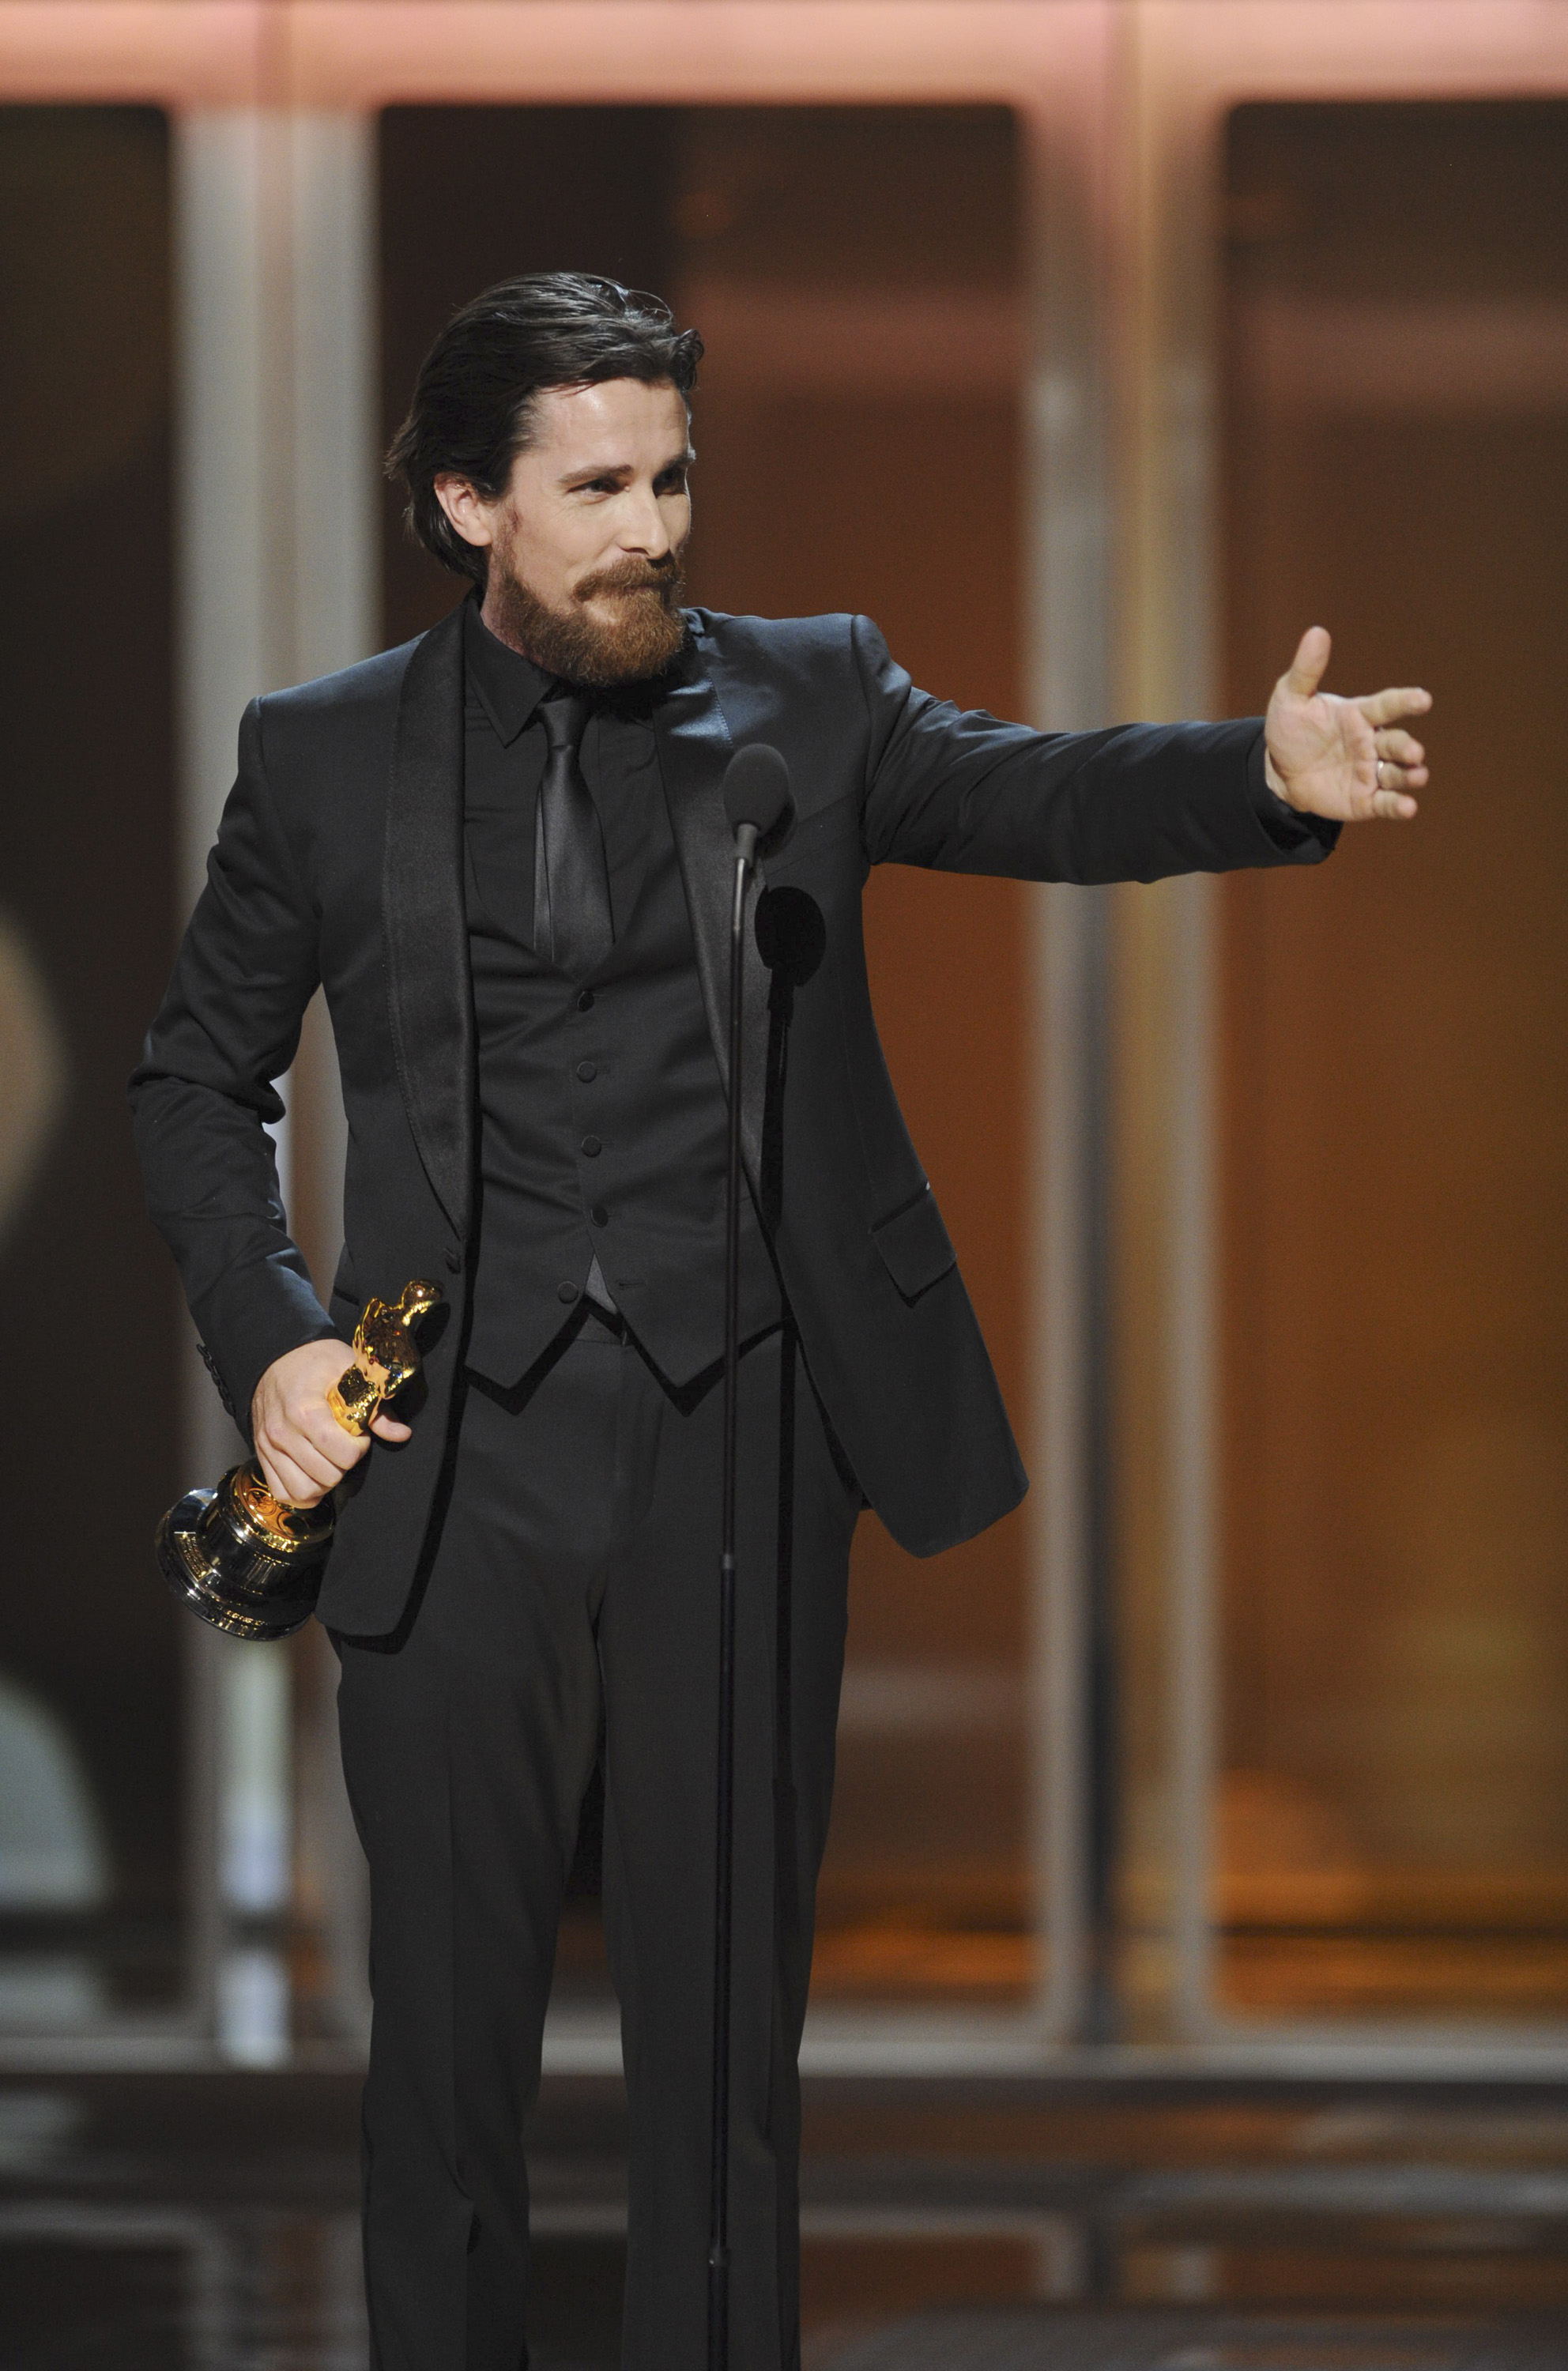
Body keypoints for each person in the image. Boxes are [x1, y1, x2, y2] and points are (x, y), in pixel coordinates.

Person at [130, 273, 1428, 2371]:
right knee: (442, 2060)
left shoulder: (807, 703)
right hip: (449, 1454)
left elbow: (1038, 796)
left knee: (726, 2062)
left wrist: (1257, 779)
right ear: (472, 502)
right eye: (597, 487)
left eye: (672, 478)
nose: (651, 526)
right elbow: (197, 1080)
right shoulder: (322, 757)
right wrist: (270, 1335)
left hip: (736, 1433)